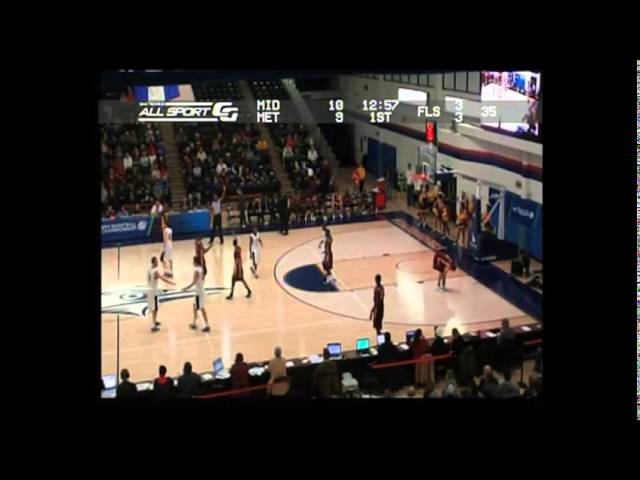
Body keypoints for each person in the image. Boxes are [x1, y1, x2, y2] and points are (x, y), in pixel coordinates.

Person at [182, 256, 211, 332]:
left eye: (193, 261)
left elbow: (193, 282)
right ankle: (194, 323)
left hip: (199, 292)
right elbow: (202, 279)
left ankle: (207, 325)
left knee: (202, 308)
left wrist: (186, 288)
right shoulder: (201, 269)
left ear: (195, 262)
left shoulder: (196, 270)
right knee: (194, 306)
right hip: (200, 290)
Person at [147, 256, 176, 332]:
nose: (158, 263)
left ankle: (155, 321)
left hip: (150, 290)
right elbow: (162, 278)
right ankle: (153, 325)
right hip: (153, 292)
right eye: (156, 262)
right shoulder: (155, 271)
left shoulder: (149, 269)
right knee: (154, 309)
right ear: (153, 262)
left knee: (155, 308)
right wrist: (172, 283)